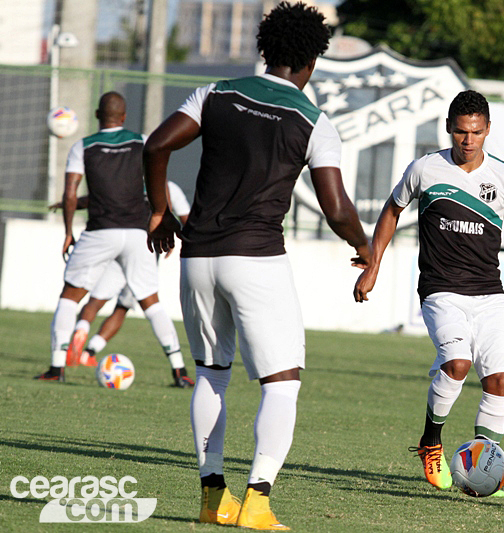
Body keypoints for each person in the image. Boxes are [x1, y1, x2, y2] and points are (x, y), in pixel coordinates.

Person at [143, 2, 371, 529]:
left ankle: (211, 498)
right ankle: (258, 503)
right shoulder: (313, 121)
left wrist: (160, 210)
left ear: (264, 50)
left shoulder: (216, 93)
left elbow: (156, 144)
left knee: (212, 374)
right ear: (313, 60)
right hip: (257, 259)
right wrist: (366, 246)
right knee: (281, 382)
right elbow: (337, 209)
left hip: (198, 256)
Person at [353, 90, 504, 494]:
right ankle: (430, 442)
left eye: (476, 132)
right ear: (449, 129)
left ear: (488, 130)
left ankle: (483, 464)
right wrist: (373, 264)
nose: (468, 140)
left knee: (500, 381)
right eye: (460, 132)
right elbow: (392, 210)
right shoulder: (426, 169)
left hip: (489, 295)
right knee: (457, 364)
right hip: (441, 291)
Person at [35, 92, 193, 388]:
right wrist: (164, 223)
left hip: (100, 231)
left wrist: (69, 231)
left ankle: (57, 367)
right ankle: (179, 371)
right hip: (137, 232)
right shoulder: (143, 141)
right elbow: (161, 183)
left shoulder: (83, 146)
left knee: (71, 297)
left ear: (97, 115)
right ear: (123, 116)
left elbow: (71, 193)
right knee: (152, 303)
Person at [58, 183, 192, 376]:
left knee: (94, 302)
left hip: (115, 244)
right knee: (140, 307)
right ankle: (178, 368)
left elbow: (91, 199)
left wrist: (67, 204)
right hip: (143, 250)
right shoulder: (167, 186)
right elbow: (185, 219)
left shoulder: (125, 182)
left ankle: (81, 334)